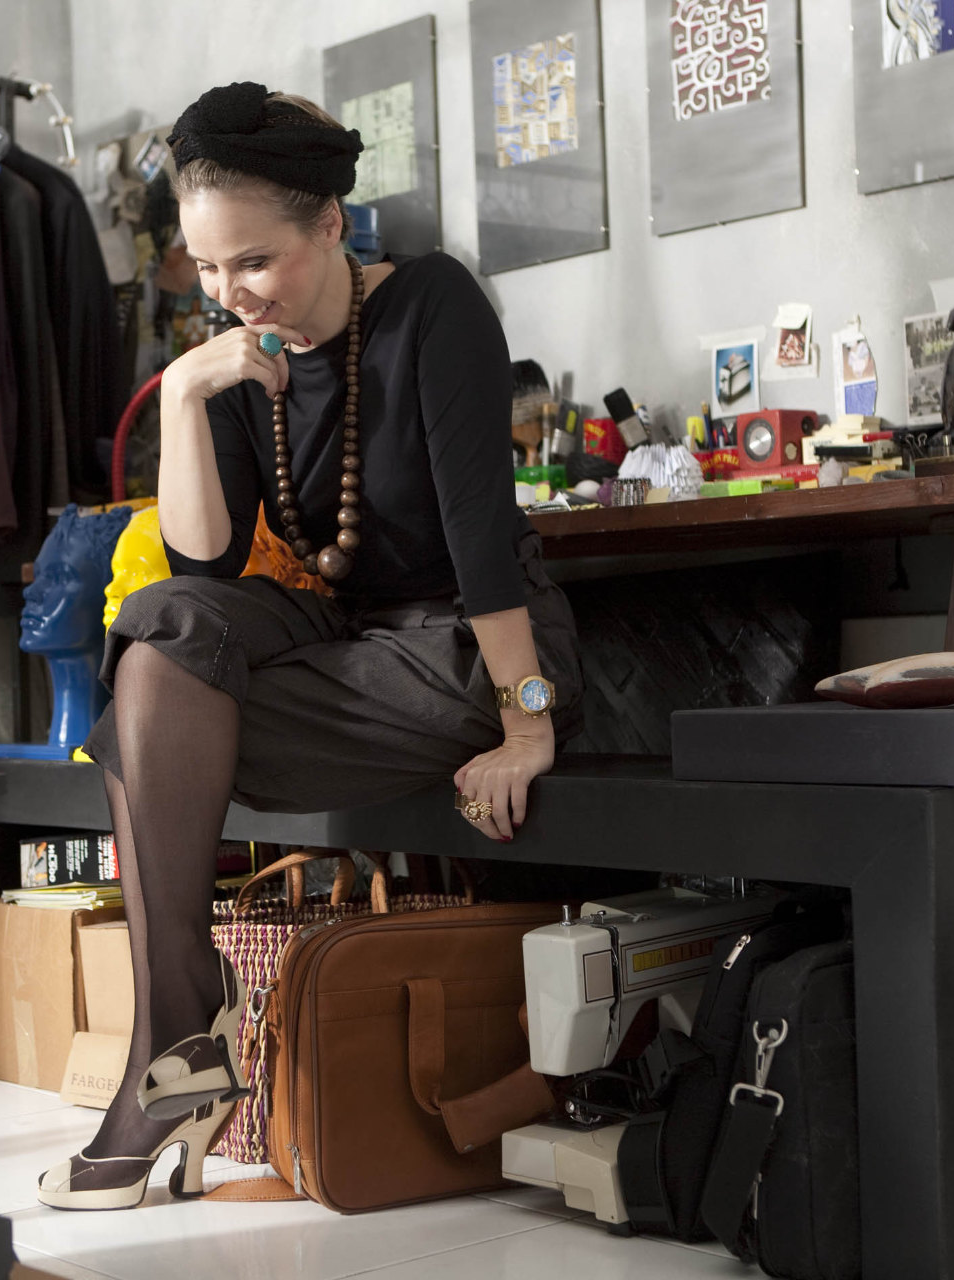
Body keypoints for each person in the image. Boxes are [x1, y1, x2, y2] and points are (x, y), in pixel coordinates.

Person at [37, 82, 584, 1211]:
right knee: (157, 647)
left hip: (460, 650)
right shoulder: (243, 359)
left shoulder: (435, 305)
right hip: (340, 637)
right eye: (209, 269)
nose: (233, 294)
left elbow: (484, 534)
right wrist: (186, 394)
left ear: (332, 222)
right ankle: (178, 1019)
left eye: (257, 262)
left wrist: (527, 721)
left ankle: (174, 1043)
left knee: (153, 729)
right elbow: (202, 568)